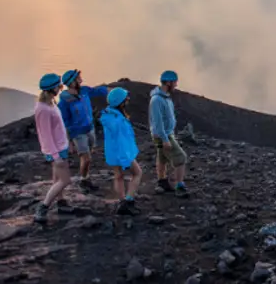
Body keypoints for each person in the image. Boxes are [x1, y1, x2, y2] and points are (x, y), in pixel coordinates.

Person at [57, 69, 108, 192]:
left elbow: (96, 91)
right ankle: (83, 180)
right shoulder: (64, 102)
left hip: (90, 129)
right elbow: (64, 121)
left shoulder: (84, 91)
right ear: (72, 82)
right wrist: (68, 141)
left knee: (88, 156)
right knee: (86, 158)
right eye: (78, 78)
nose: (81, 79)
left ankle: (85, 178)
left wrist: (112, 91)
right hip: (78, 133)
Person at [33, 73, 72, 224]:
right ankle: (43, 207)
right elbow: (46, 135)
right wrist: (56, 156)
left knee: (57, 178)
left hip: (60, 147)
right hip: (56, 150)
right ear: (51, 89)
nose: (60, 88)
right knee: (65, 180)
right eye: (58, 86)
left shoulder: (50, 103)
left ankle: (61, 203)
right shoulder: (43, 109)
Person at [100, 87, 143, 215]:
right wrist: (126, 157)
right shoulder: (118, 119)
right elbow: (121, 139)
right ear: (120, 102)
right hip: (123, 153)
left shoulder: (108, 115)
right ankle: (128, 201)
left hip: (112, 152)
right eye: (126, 98)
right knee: (137, 173)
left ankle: (121, 201)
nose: (128, 99)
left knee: (118, 176)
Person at [149, 70, 188, 197]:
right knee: (181, 158)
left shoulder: (165, 98)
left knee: (162, 157)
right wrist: (165, 139)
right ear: (168, 82)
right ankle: (179, 186)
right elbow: (158, 122)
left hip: (166, 134)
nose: (176, 85)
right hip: (162, 135)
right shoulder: (157, 100)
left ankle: (162, 182)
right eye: (175, 82)